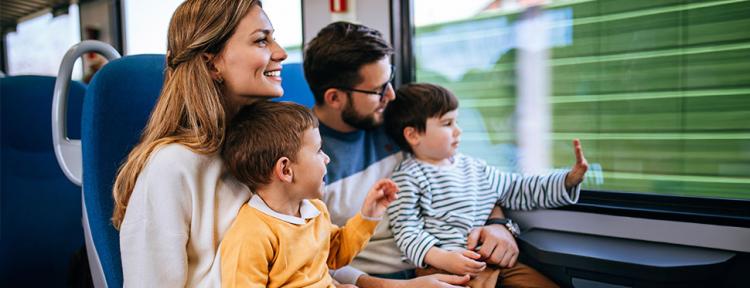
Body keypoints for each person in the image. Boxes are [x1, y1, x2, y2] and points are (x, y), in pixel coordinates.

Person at [305, 21, 545, 288]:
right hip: (383, 280)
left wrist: (498, 223)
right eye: (378, 90)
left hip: (458, 256)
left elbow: (463, 174)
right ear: (335, 98)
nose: (392, 95)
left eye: (390, 80)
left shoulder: (400, 121)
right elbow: (313, 260)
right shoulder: (306, 157)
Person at [111, 0, 288, 286]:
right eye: (261, 41)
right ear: (211, 63)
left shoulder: (269, 147)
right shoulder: (170, 168)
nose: (280, 53)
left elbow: (303, 242)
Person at [383, 83, 589, 288]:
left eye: (456, 121)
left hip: (493, 261)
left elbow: (517, 188)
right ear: (413, 135)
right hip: (445, 268)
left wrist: (567, 180)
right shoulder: (407, 177)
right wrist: (444, 258)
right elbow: (406, 230)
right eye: (447, 124)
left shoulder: (475, 168)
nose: (458, 131)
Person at [219, 101, 399, 287]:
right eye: (319, 150)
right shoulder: (251, 233)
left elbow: (336, 254)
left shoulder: (314, 209)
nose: (326, 158)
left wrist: (368, 215)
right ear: (286, 170)